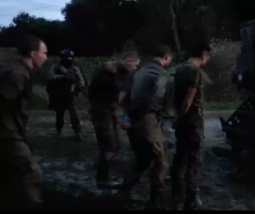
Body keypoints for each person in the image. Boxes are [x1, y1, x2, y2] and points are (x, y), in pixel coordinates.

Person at [118, 44, 173, 210]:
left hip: (133, 123)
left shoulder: (138, 72)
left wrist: (128, 117)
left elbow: (124, 98)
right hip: (147, 122)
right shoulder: (162, 75)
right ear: (167, 57)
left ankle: (121, 196)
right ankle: (158, 203)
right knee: (160, 163)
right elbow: (154, 101)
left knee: (141, 161)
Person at [0, 35, 48, 209]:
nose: (46, 57)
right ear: (33, 54)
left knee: (7, 174)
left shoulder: (19, 71)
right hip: (6, 133)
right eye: (44, 53)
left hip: (12, 130)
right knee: (32, 173)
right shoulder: (18, 74)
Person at [88, 51, 140, 188]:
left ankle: (104, 172)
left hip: (110, 109)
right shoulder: (108, 71)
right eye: (135, 65)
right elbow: (115, 88)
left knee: (117, 145)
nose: (135, 68)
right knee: (108, 146)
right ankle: (102, 178)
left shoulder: (121, 72)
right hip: (101, 110)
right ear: (127, 62)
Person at [170, 43, 211, 210]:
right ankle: (192, 197)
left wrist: (177, 119)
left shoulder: (179, 68)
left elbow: (175, 96)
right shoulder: (195, 71)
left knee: (180, 155)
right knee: (194, 159)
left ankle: (176, 191)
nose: (207, 60)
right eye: (208, 57)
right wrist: (178, 119)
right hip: (192, 119)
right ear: (203, 55)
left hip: (182, 120)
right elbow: (188, 101)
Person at [46, 49, 85, 141]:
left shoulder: (75, 69)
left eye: (70, 58)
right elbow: (50, 77)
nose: (69, 60)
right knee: (59, 115)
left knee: (74, 114)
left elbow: (81, 81)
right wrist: (63, 77)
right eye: (67, 58)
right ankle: (58, 132)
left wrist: (78, 85)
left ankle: (78, 132)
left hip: (71, 95)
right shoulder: (56, 68)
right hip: (59, 95)